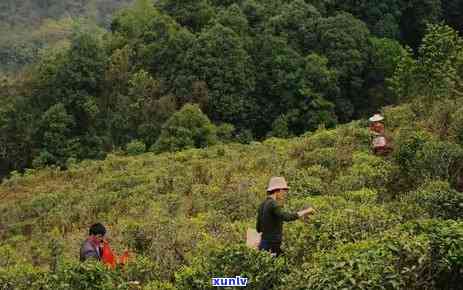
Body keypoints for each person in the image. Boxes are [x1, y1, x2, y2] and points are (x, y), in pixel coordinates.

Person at [256, 177, 315, 257]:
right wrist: (306, 211)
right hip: (273, 245)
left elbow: (258, 227)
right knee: (277, 265)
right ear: (277, 190)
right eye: (283, 191)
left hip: (263, 243)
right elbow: (287, 217)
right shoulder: (273, 204)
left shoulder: (262, 204)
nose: (284, 193)